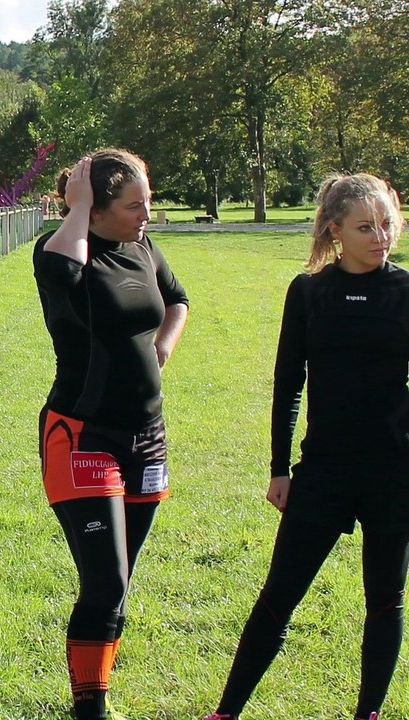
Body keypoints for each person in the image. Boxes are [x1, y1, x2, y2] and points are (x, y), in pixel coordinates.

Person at [203, 174, 408, 720]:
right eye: (365, 226)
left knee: (385, 602)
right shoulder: (309, 291)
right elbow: (289, 382)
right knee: (277, 597)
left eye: (387, 224)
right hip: (322, 471)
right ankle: (225, 712)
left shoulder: (405, 292)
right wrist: (279, 467)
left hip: (394, 474)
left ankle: (368, 713)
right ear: (334, 230)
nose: (380, 237)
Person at [33, 149, 189, 720]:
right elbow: (63, 274)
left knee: (119, 586)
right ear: (94, 208)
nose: (148, 212)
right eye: (134, 204)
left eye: (147, 199)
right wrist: (76, 210)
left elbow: (178, 300)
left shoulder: (143, 246)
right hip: (82, 435)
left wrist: (163, 349)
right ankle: (89, 709)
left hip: (147, 437)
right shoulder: (60, 248)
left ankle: (97, 691)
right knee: (104, 582)